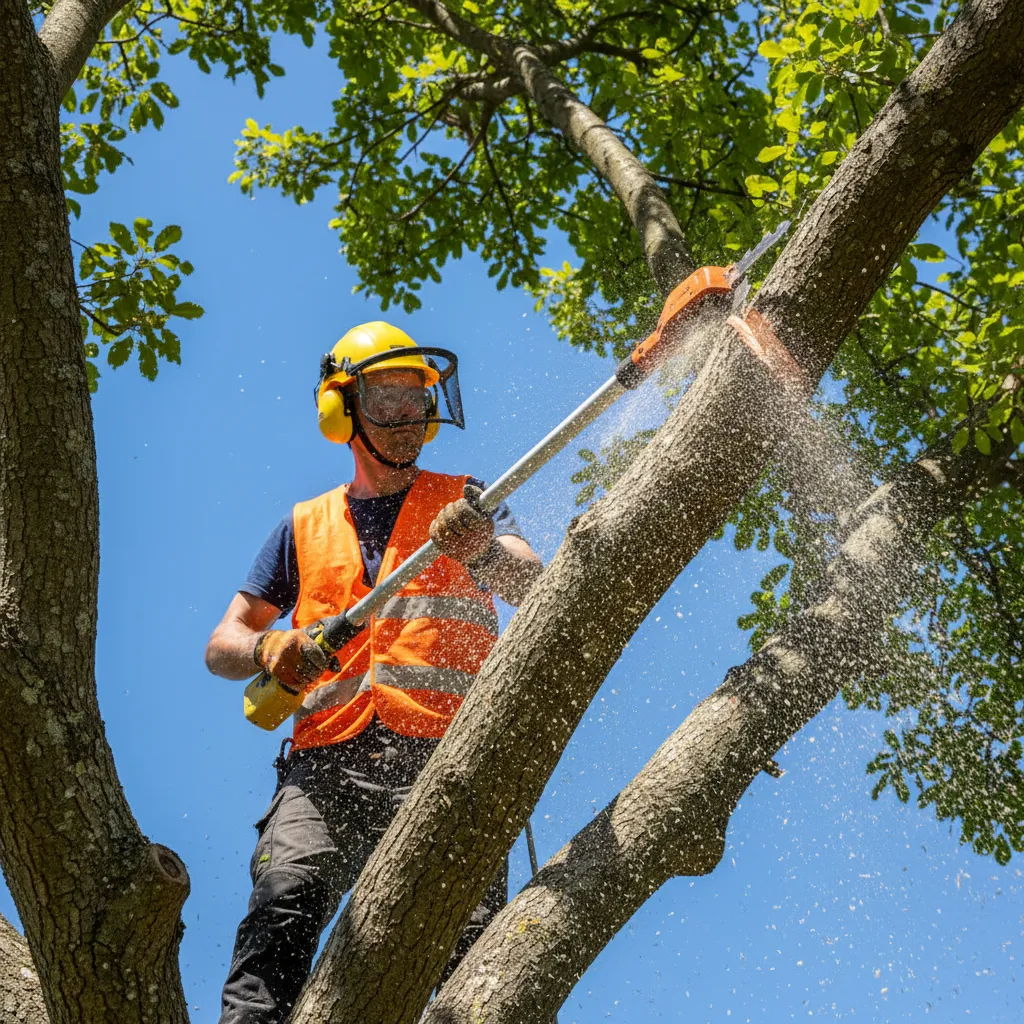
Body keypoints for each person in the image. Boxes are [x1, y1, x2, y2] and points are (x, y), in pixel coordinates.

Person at [206, 321, 543, 1024]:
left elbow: (535, 582)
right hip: (324, 766)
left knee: (470, 954)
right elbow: (222, 643)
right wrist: (274, 649)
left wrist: (480, 549)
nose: (405, 418)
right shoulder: (305, 524)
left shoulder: (468, 499)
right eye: (386, 401)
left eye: (415, 400)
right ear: (344, 410)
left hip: (450, 761)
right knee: (280, 917)